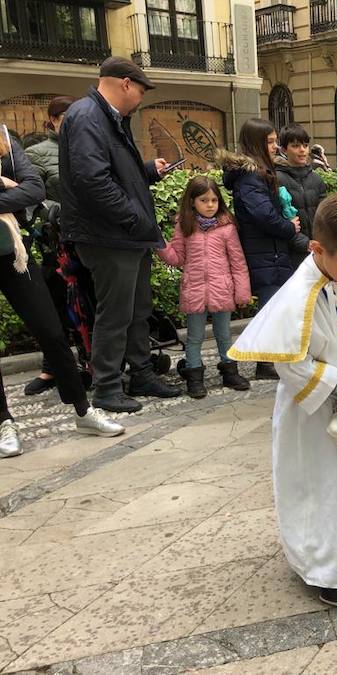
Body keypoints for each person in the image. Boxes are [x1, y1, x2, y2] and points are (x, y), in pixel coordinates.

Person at [227, 191, 337, 612]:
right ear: (318, 249)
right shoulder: (296, 297)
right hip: (312, 411)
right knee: (319, 486)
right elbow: (294, 366)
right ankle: (331, 574)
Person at [58, 56, 181, 413]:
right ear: (126, 83)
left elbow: (111, 174)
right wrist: (136, 221)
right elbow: (92, 183)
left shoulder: (108, 118)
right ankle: (108, 389)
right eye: (141, 91)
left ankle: (141, 373)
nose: (141, 99)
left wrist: (146, 171)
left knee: (136, 310)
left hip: (125, 236)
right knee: (115, 314)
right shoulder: (87, 116)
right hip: (110, 237)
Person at [0, 127, 124, 457]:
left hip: (13, 254)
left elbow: (34, 189)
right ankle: (4, 421)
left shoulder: (6, 143)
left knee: (51, 331)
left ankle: (83, 410)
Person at [219, 118, 301, 380]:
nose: (275, 146)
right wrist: (289, 227)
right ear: (256, 143)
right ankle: (265, 362)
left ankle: (270, 359)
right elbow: (263, 215)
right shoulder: (250, 177)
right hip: (265, 251)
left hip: (271, 250)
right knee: (270, 307)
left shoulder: (258, 173)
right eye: (270, 141)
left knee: (275, 306)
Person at [156, 176, 251, 399]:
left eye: (214, 200)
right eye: (204, 200)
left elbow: (237, 262)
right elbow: (177, 257)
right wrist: (159, 244)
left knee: (224, 333)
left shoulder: (227, 228)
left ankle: (230, 370)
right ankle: (194, 377)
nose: (210, 205)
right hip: (195, 289)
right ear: (192, 202)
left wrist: (242, 291)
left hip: (222, 288)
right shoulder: (185, 227)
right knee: (195, 336)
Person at [22, 95, 76, 396]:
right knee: (55, 304)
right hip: (56, 242)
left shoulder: (89, 147)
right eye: (65, 115)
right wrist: (57, 214)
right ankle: (51, 367)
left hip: (91, 238)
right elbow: (32, 198)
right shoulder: (37, 153)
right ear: (52, 120)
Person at [275, 123, 326, 267]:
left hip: (319, 250)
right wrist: (304, 243)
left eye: (305, 145)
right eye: (296, 146)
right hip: (291, 254)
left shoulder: (317, 179)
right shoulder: (277, 179)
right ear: (285, 149)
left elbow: (325, 215)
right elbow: (280, 220)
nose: (302, 150)